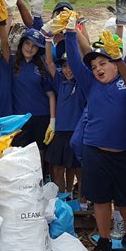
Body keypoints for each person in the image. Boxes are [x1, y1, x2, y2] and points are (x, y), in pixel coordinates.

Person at [65, 0, 126, 251]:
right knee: (100, 200)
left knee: (125, 203)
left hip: (125, 153)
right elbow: (77, 64)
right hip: (95, 151)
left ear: (115, 62)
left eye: (103, 63)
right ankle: (103, 239)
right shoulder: (91, 85)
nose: (98, 69)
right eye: (95, 66)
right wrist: (69, 31)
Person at [44, 41, 85, 194]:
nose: (68, 70)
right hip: (60, 131)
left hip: (77, 132)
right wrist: (48, 39)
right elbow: (48, 61)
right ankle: (62, 199)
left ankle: (82, 202)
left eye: (72, 65)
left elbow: (86, 57)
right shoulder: (60, 80)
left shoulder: (83, 83)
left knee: (79, 169)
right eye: (65, 66)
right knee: (57, 168)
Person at [10, 28, 56, 151]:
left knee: (40, 153)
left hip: (41, 116)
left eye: (34, 46)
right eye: (27, 43)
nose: (30, 48)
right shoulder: (13, 62)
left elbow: (51, 95)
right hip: (21, 118)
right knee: (20, 153)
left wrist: (52, 120)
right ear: (22, 44)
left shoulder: (41, 67)